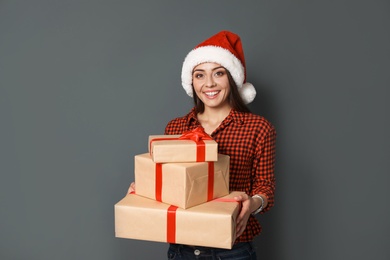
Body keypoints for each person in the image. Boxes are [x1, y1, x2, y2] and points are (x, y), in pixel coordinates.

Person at [129, 30, 276, 260]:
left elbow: (265, 187)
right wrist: (143, 189)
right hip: (182, 249)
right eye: (200, 75)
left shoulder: (258, 127)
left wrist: (253, 203)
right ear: (192, 81)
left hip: (233, 250)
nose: (209, 83)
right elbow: (169, 184)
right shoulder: (176, 128)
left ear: (232, 78)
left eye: (218, 73)